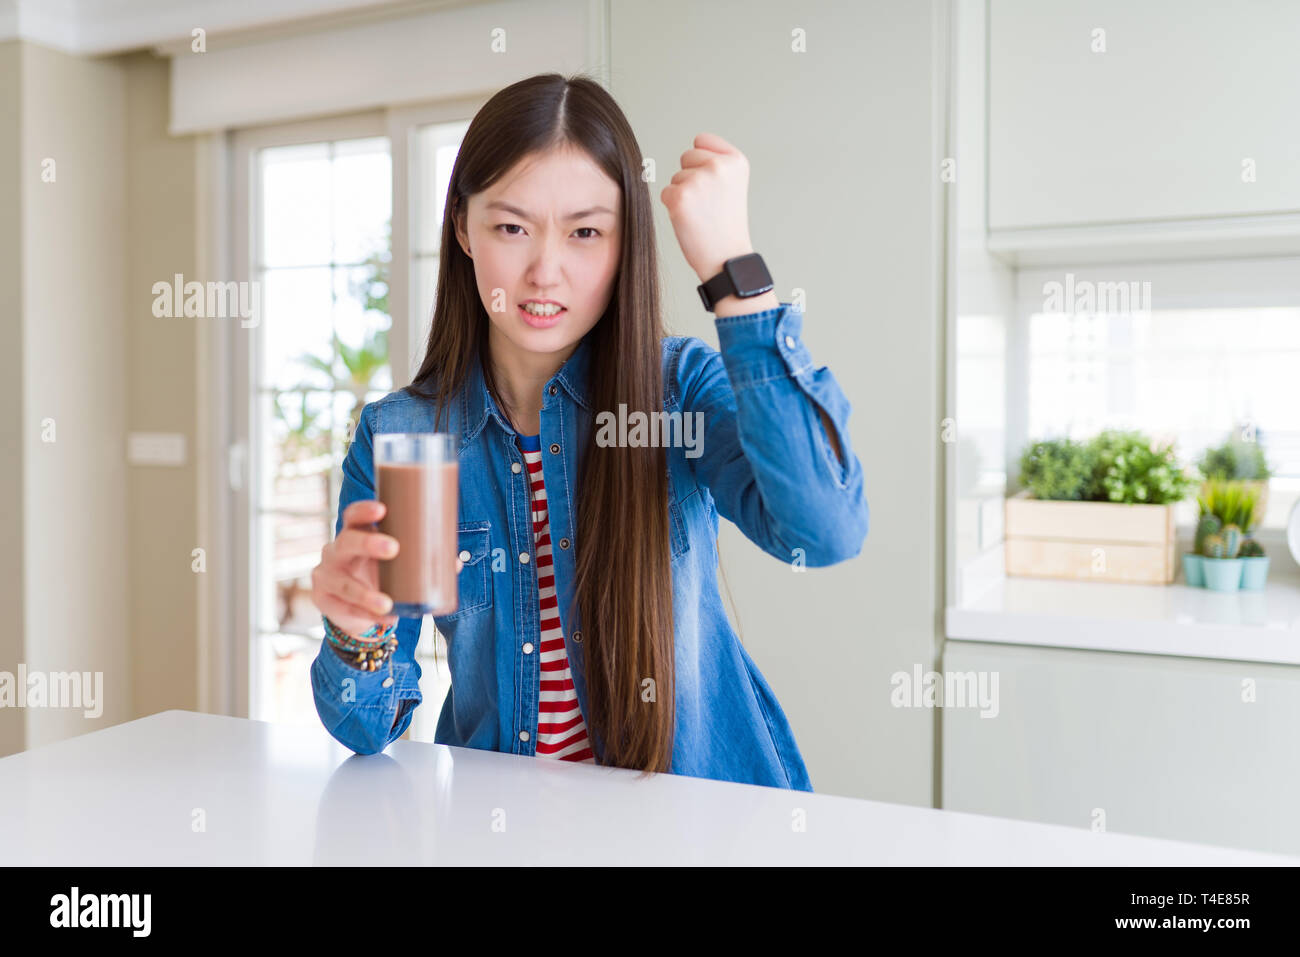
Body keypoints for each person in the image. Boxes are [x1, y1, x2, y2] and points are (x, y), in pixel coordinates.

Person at [309, 71, 868, 791]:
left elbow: (823, 530)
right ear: (463, 228)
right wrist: (357, 632)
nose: (546, 272)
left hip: (699, 829)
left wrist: (736, 273)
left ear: (623, 239)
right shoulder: (403, 435)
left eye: (586, 232)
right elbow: (364, 726)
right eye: (511, 227)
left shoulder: (675, 392)